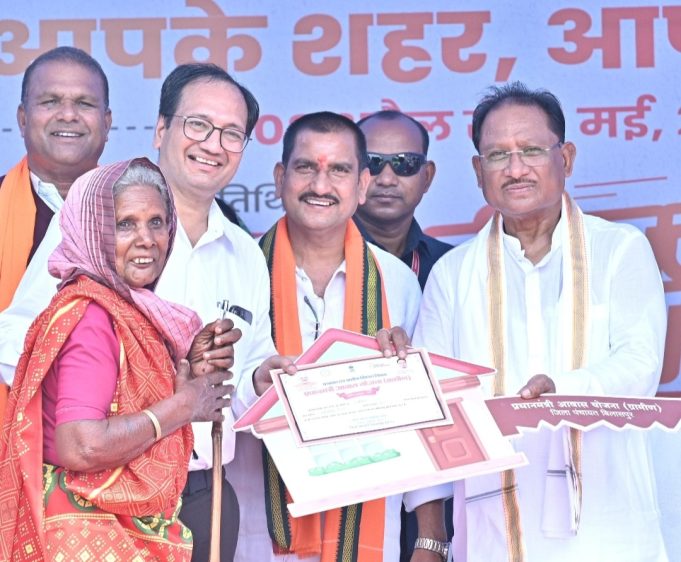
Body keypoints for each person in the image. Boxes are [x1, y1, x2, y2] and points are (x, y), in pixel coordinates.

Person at [0, 63, 292, 562]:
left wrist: (260, 379)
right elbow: (18, 342)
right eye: (198, 124)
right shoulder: (96, 227)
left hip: (204, 492)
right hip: (102, 497)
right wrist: (120, 385)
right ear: (161, 130)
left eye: (231, 133)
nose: (213, 144)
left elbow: (237, 382)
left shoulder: (244, 252)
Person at [413, 82, 668, 561]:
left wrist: (562, 392)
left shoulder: (619, 249)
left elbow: (640, 367)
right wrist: (430, 538)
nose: (515, 169)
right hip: (494, 530)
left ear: (565, 158)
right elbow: (431, 406)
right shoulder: (453, 274)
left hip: (607, 526)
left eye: (531, 150)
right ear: (478, 171)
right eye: (497, 155)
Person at [226, 112, 448, 562]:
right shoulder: (236, 270)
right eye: (306, 167)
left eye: (340, 170)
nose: (320, 185)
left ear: (362, 184)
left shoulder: (397, 282)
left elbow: (424, 419)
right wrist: (256, 385)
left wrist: (430, 538)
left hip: (371, 537)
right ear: (280, 178)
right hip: (256, 537)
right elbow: (204, 398)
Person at [0, 158, 235, 561]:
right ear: (93, 231)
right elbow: (82, 445)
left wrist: (186, 371)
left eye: (157, 222)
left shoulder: (122, 307)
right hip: (90, 534)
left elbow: (124, 398)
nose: (147, 239)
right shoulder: (93, 317)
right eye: (125, 224)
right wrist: (185, 404)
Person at [0, 46, 111, 420]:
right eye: (50, 101)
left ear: (107, 122)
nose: (68, 114)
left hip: (112, 434)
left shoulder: (138, 214)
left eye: (84, 103)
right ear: (23, 118)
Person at [354, 111, 452, 289]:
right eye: (371, 162)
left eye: (405, 163)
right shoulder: (318, 259)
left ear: (427, 177)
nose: (386, 180)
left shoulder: (450, 264)